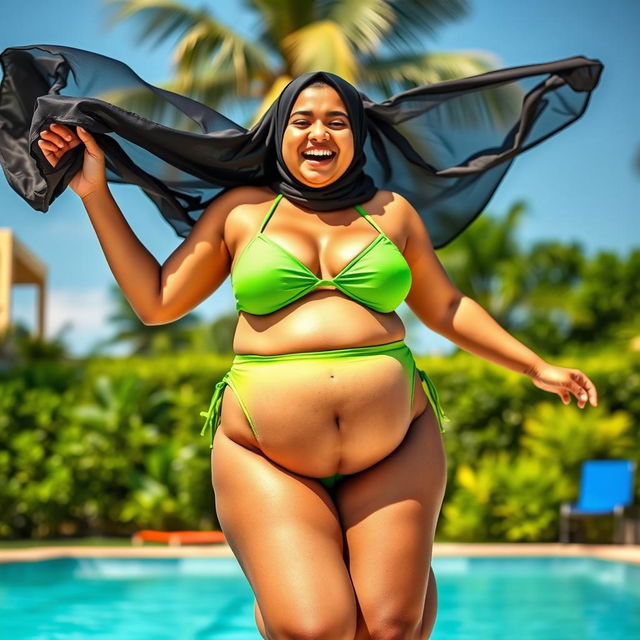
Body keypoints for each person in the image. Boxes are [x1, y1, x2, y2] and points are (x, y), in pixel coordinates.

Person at [34, 76, 598, 640]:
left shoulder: (392, 213)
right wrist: (94, 193)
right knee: (316, 628)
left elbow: (447, 305)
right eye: (301, 120)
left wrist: (535, 366)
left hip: (396, 445)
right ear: (279, 133)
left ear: (356, 135)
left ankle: (388, 577)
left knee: (392, 627)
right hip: (264, 453)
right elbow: (157, 302)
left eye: (336, 121)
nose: (318, 133)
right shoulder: (241, 213)